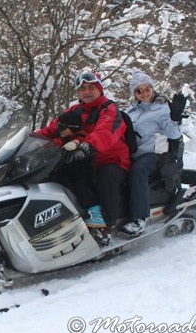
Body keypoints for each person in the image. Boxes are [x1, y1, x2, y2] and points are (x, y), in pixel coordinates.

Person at [36, 71, 130, 246]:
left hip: (110, 157)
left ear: (99, 89)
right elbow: (51, 130)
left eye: (91, 88)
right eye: (83, 88)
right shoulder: (74, 110)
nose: (87, 92)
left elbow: (105, 131)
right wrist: (28, 141)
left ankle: (106, 226)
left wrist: (87, 146)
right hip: (84, 158)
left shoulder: (109, 109)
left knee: (106, 177)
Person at [120, 70, 183, 237]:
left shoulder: (161, 110)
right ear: (134, 93)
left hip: (155, 155)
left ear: (152, 89)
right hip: (133, 154)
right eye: (139, 90)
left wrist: (175, 118)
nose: (144, 93)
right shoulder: (130, 111)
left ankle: (139, 218)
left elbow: (174, 134)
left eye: (147, 89)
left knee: (138, 171)